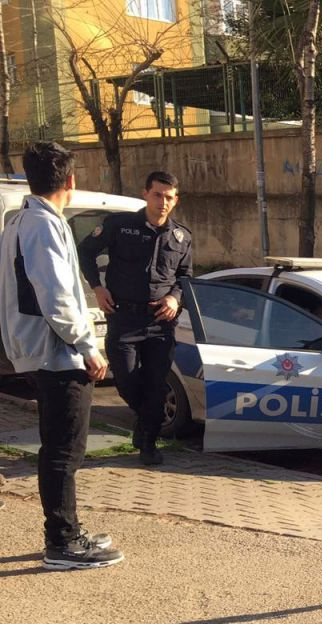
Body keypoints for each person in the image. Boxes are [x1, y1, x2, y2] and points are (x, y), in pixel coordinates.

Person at [0, 142, 123, 569]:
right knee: (65, 450)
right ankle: (64, 542)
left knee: (57, 447)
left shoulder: (18, 222)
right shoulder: (44, 226)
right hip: (58, 353)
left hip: (38, 350)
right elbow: (56, 296)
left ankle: (66, 532)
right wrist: (89, 347)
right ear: (70, 181)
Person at [78, 170, 192, 466]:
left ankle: (148, 444)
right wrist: (97, 287)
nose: (163, 202)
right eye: (157, 195)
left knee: (156, 385)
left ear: (175, 200)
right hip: (124, 318)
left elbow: (185, 277)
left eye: (169, 197)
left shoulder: (182, 237)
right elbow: (85, 251)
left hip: (160, 322)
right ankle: (145, 422)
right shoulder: (120, 225)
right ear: (145, 194)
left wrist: (174, 298)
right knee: (126, 381)